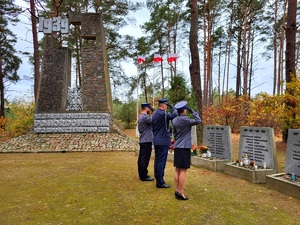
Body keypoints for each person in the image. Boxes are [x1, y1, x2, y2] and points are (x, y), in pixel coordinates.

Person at [172, 101, 201, 200]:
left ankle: (177, 190)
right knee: (183, 170)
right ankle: (181, 192)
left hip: (177, 146)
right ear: (184, 110)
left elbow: (174, 134)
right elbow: (198, 120)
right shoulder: (186, 120)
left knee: (177, 169)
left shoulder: (174, 120)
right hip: (184, 147)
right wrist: (193, 112)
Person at [152, 98, 177, 188]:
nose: (167, 107)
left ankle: (158, 178)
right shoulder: (163, 114)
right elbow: (175, 115)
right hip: (162, 141)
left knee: (157, 160)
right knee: (161, 162)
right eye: (166, 105)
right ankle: (160, 182)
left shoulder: (155, 114)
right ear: (163, 106)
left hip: (157, 140)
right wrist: (173, 108)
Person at [138, 103, 155, 181]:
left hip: (143, 140)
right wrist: (155, 112)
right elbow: (154, 120)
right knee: (145, 158)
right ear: (146, 108)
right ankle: (144, 176)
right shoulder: (145, 117)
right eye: (149, 108)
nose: (150, 109)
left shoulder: (141, 116)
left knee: (141, 158)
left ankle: (142, 174)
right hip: (146, 140)